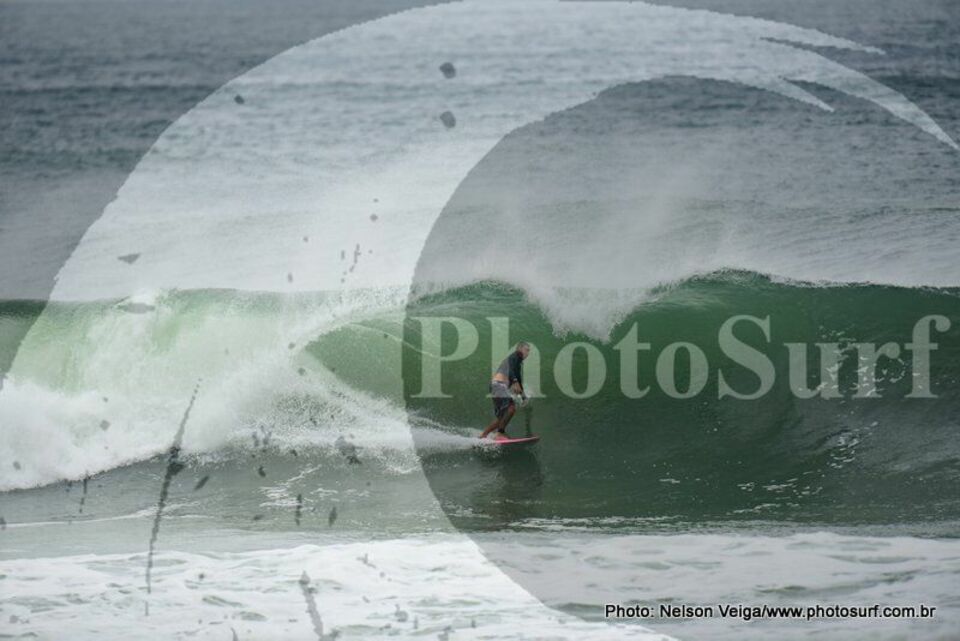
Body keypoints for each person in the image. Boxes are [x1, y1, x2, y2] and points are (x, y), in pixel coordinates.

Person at [480, 341, 531, 440]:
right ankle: (500, 433)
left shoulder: (518, 363)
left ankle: (483, 436)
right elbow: (511, 369)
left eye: (529, 351)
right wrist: (515, 381)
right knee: (511, 409)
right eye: (527, 350)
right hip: (499, 385)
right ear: (519, 349)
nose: (528, 353)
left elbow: (518, 380)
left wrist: (523, 396)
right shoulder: (516, 356)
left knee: (502, 418)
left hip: (495, 385)